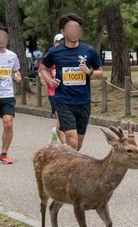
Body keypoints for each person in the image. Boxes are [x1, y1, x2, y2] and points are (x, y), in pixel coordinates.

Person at [40, 13, 103, 151]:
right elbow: (43, 68)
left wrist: (89, 72)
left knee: (77, 145)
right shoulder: (55, 52)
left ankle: (62, 160)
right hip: (63, 101)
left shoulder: (89, 51)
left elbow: (100, 72)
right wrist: (50, 81)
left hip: (83, 101)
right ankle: (67, 170)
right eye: (70, 28)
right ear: (63, 31)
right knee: (72, 142)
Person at [0, 26, 22, 164]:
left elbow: (16, 71)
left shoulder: (12, 56)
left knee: (8, 124)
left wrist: (17, 77)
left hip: (7, 95)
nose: (1, 40)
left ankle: (4, 154)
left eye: (4, 38)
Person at [41, 34, 66, 144]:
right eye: (58, 42)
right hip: (54, 91)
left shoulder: (70, 54)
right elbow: (41, 71)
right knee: (60, 116)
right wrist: (50, 81)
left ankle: (55, 132)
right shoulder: (50, 55)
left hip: (69, 92)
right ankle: (65, 144)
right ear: (54, 43)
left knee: (62, 118)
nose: (60, 44)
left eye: (63, 41)